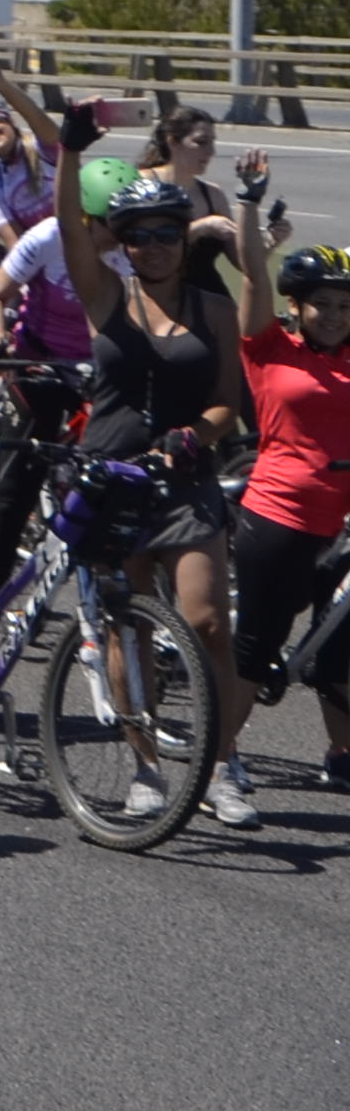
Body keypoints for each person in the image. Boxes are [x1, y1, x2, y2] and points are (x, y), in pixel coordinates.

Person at [62, 157, 253, 822]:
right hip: (114, 480)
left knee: (207, 621)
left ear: (183, 238)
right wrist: (67, 153)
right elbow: (67, 229)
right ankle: (145, 766)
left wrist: (195, 435)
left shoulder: (214, 309)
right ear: (123, 242)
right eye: (137, 235)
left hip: (185, 480)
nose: (153, 246)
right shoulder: (108, 296)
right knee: (128, 627)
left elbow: (228, 400)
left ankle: (223, 763)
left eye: (166, 234)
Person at [219, 196, 350, 803]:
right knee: (256, 649)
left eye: (346, 307)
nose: (334, 315)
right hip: (279, 518)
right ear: (297, 308)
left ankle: (341, 756)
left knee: (341, 650)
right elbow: (251, 274)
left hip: (339, 527)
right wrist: (247, 207)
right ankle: (220, 763)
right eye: (323, 304)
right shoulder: (271, 350)